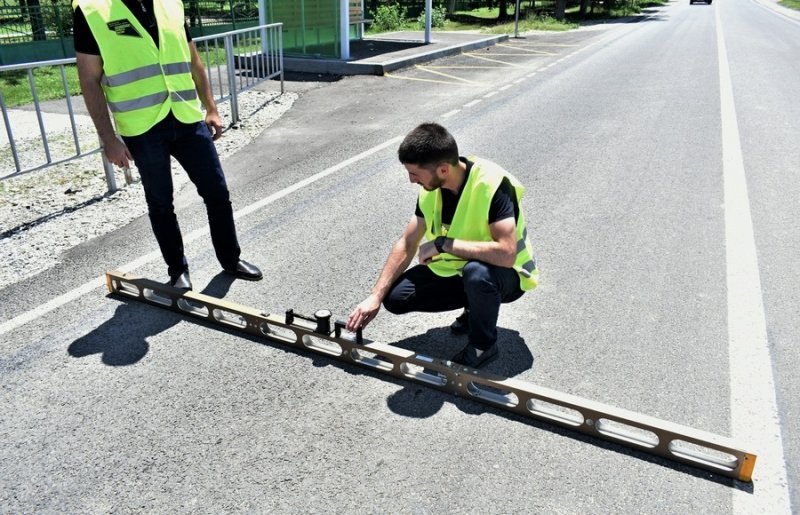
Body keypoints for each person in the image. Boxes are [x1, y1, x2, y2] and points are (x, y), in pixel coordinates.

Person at [72, 0, 262, 290]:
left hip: (186, 115)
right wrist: (109, 140)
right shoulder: (91, 10)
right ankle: (177, 270)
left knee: (217, 192)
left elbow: (193, 59)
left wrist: (211, 108)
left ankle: (230, 259)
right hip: (142, 126)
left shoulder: (171, 3)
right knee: (161, 203)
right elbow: (88, 79)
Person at [346, 123, 538, 368]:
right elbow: (407, 242)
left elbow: (507, 254)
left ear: (444, 169)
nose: (410, 180)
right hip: (459, 268)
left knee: (477, 274)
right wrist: (375, 296)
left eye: (415, 174)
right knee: (396, 298)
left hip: (506, 274)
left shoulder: (491, 184)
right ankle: (475, 309)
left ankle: (483, 345)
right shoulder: (431, 188)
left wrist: (443, 244)